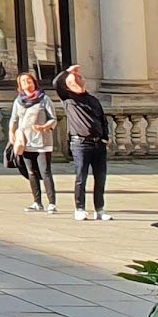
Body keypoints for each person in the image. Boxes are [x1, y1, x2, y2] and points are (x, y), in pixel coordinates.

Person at [54, 63, 111, 220]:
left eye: (79, 79)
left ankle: (99, 209)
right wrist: (67, 72)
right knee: (81, 177)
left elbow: (102, 119)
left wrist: (106, 136)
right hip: (80, 143)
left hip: (98, 143)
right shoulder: (69, 100)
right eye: (73, 81)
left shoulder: (92, 100)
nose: (77, 83)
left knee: (100, 177)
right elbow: (56, 84)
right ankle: (79, 208)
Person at [7, 71, 58, 214]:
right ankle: (37, 202)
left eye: (29, 80)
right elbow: (14, 119)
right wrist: (12, 133)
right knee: (31, 172)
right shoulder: (19, 101)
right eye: (23, 81)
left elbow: (53, 118)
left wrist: (44, 127)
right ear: (20, 86)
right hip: (25, 141)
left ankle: (52, 203)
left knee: (45, 171)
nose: (26, 83)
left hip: (42, 141)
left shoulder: (44, 99)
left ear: (34, 82)